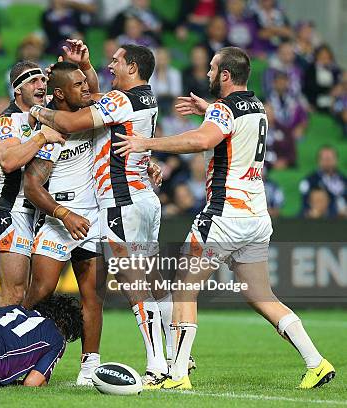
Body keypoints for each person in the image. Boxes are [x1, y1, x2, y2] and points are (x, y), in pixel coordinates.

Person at [113, 46, 335, 389]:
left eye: (213, 69)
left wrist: (147, 143)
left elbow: (203, 139)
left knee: (184, 288)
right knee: (262, 296)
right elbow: (231, 127)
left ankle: (177, 374)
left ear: (225, 76)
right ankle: (316, 362)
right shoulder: (257, 106)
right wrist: (209, 110)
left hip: (224, 215)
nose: (207, 74)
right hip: (257, 216)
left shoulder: (223, 109)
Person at [29, 44, 173, 385]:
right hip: (104, 206)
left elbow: (73, 112)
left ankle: (154, 364)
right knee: (148, 283)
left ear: (133, 67)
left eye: (117, 62)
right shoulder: (140, 99)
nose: (110, 68)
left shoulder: (109, 106)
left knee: (123, 287)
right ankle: (176, 355)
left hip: (116, 204)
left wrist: (36, 109)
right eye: (80, 84)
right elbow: (95, 100)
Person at [21, 61, 104, 386]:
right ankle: (4, 340)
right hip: (59, 220)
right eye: (78, 85)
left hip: (92, 219)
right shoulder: (51, 132)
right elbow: (32, 186)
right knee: (41, 290)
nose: (86, 89)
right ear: (59, 93)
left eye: (85, 84)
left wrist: (84, 64)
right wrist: (63, 214)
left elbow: (99, 91)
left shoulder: (91, 117)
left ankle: (89, 366)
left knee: (93, 297)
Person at [0, 59, 66, 309]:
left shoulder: (48, 114)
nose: (41, 85)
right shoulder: (6, 122)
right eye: (34, 81)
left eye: (43, 79)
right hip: (12, 210)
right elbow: (9, 161)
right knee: (14, 294)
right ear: (18, 89)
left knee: (35, 293)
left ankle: (6, 343)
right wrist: (41, 137)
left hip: (41, 213)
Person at [299, 146, 346, 218]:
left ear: (336, 160)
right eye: (324, 159)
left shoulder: (344, 180)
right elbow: (305, 205)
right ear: (318, 161)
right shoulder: (310, 180)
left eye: (330, 158)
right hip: (321, 218)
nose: (327, 161)